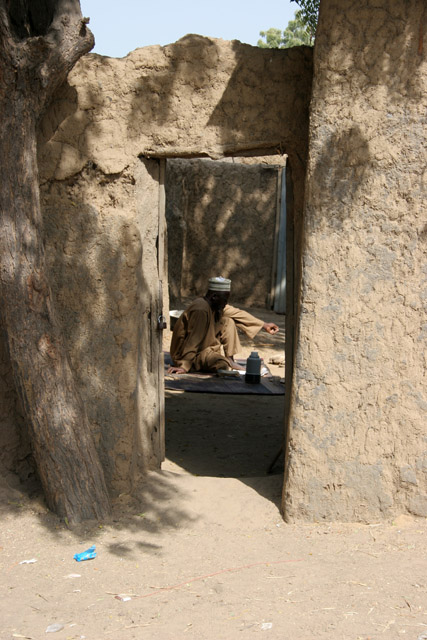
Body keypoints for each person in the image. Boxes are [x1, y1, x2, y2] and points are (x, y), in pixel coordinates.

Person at [168, 276, 279, 374]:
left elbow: (238, 314)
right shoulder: (201, 309)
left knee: (228, 321)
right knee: (222, 365)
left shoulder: (216, 305)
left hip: (205, 350)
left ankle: (230, 360)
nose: (226, 303)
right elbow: (193, 340)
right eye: (225, 299)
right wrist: (184, 366)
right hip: (188, 355)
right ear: (214, 297)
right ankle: (225, 362)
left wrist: (264, 325)